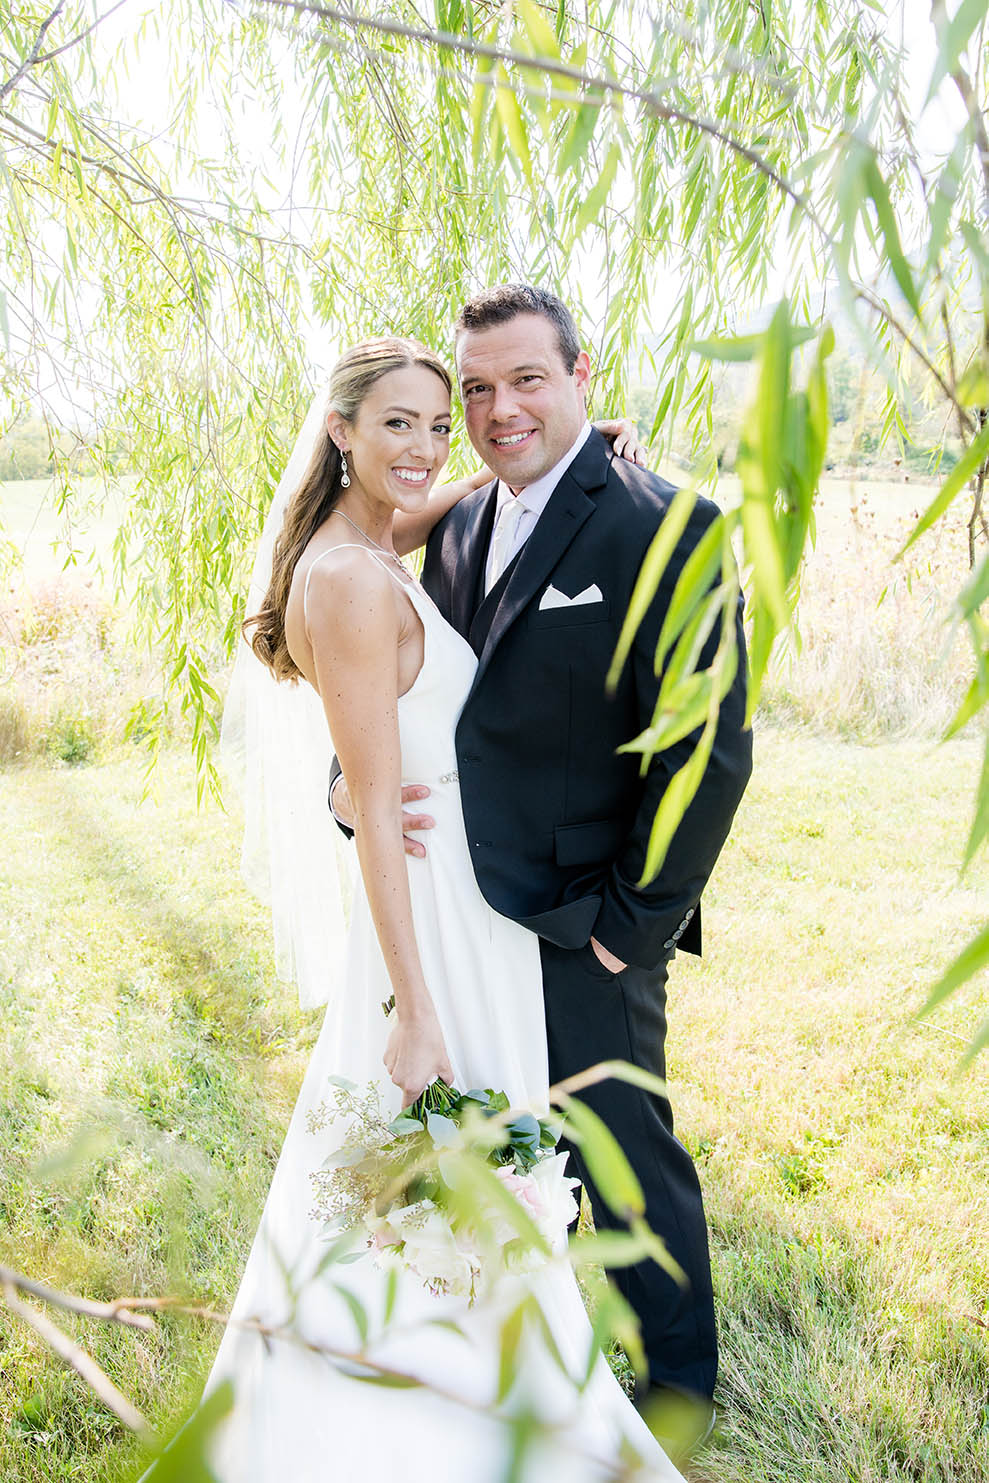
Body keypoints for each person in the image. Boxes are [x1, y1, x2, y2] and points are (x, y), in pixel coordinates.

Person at [200, 336, 685, 1482]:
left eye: (436, 419)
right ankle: (429, 1410)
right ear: (340, 434)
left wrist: (568, 451)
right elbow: (372, 807)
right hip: (429, 932)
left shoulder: (365, 541)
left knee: (442, 1166)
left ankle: (473, 1376)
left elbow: (434, 499)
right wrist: (412, 1008)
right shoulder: (349, 582)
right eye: (397, 425)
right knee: (433, 1150)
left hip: (465, 904)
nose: (423, 446)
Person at [330, 285, 753, 1433]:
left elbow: (708, 757)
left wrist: (630, 925)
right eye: (475, 389)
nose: (496, 408)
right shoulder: (457, 526)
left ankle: (676, 1403)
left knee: (625, 1159)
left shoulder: (667, 525)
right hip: (462, 914)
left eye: (525, 378)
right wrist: (346, 789)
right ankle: (517, 1367)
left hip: (585, 923)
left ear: (580, 373)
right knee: (495, 1150)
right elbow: (429, 708)